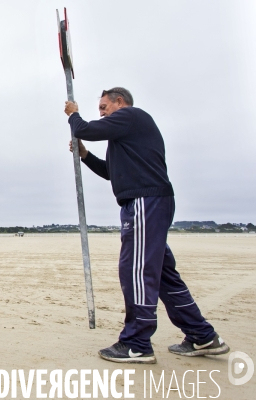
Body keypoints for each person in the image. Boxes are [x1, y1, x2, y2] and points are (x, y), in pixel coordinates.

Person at [64, 88, 229, 364]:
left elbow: (87, 128)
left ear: (120, 102)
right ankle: (202, 336)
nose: (101, 112)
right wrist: (84, 154)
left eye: (104, 107)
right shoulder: (126, 135)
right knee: (163, 275)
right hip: (149, 202)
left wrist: (73, 114)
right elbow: (110, 172)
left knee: (136, 271)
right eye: (99, 109)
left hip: (145, 202)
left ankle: (137, 343)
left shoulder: (131, 116)